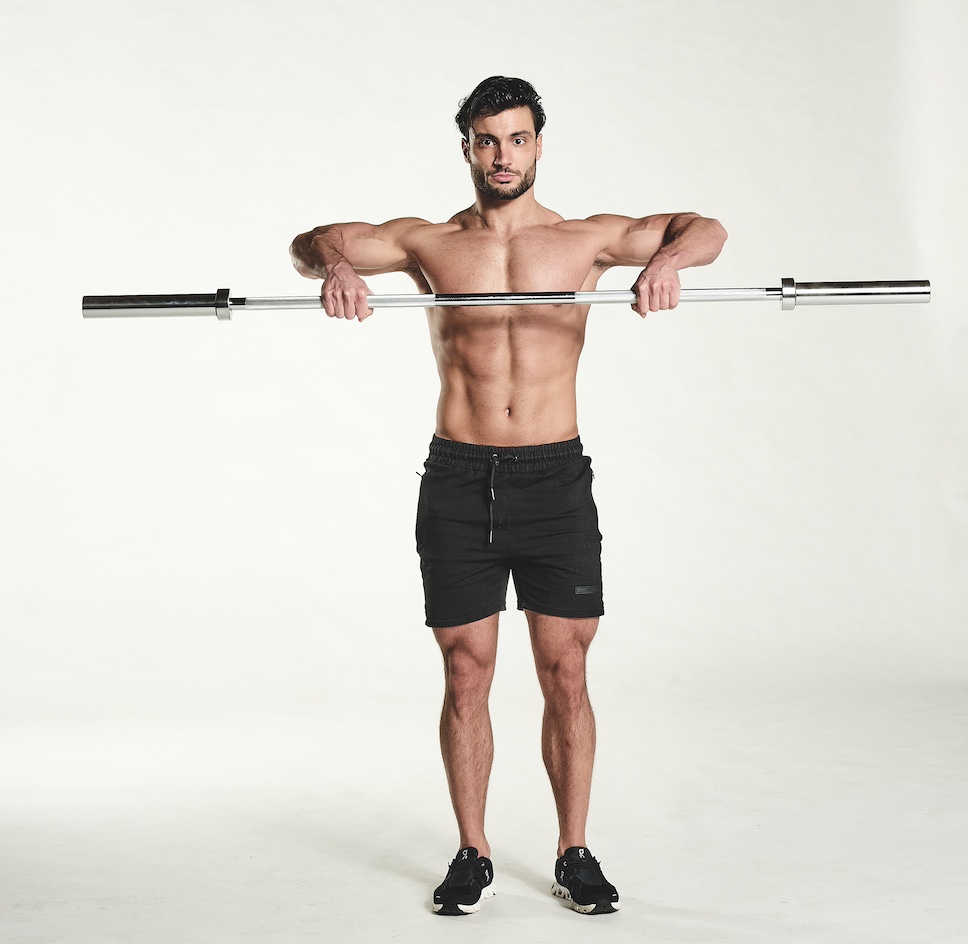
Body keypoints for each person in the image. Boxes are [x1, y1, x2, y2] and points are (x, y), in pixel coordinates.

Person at [290, 76, 727, 917]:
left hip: (553, 478)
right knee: (466, 673)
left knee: (566, 670)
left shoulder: (586, 240)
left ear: (539, 144)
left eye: (518, 139)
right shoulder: (427, 243)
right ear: (466, 149)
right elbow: (314, 240)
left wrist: (668, 262)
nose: (503, 155)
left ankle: (574, 850)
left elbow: (705, 228)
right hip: (459, 477)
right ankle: (472, 851)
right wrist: (339, 268)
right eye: (487, 141)